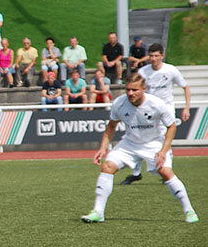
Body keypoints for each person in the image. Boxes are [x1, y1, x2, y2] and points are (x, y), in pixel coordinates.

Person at [81, 74, 198, 224]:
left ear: (144, 89)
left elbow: (171, 126)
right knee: (107, 166)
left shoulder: (156, 104)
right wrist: (103, 148)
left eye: (134, 90)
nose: (130, 93)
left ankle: (189, 211)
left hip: (154, 143)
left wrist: (163, 151)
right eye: (128, 90)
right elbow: (111, 126)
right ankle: (98, 212)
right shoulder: (119, 103)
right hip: (130, 143)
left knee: (166, 172)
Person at [121, 42, 191, 186]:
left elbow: (185, 87)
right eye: (151, 56)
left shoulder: (171, 70)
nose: (153, 59)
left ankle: (167, 172)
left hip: (165, 109)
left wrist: (187, 107)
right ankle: (136, 173)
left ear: (162, 56)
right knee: (139, 137)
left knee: (165, 139)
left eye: (156, 56)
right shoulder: (143, 72)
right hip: (148, 110)